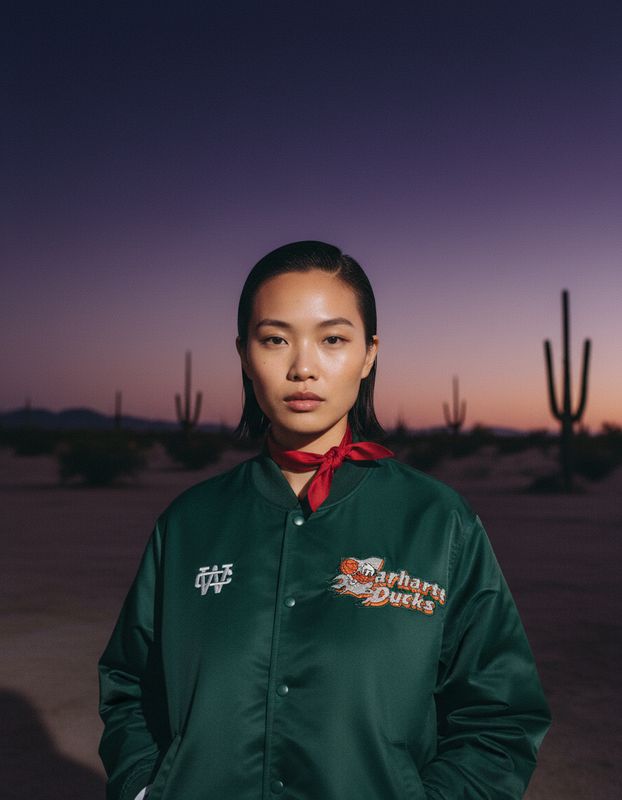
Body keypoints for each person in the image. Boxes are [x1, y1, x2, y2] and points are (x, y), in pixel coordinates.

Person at [98, 240, 551, 800]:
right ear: (244, 354)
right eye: (275, 339)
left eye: (332, 339)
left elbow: (500, 718)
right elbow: (129, 689)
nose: (302, 367)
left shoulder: (438, 522)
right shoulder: (189, 522)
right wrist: (145, 789)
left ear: (368, 354)